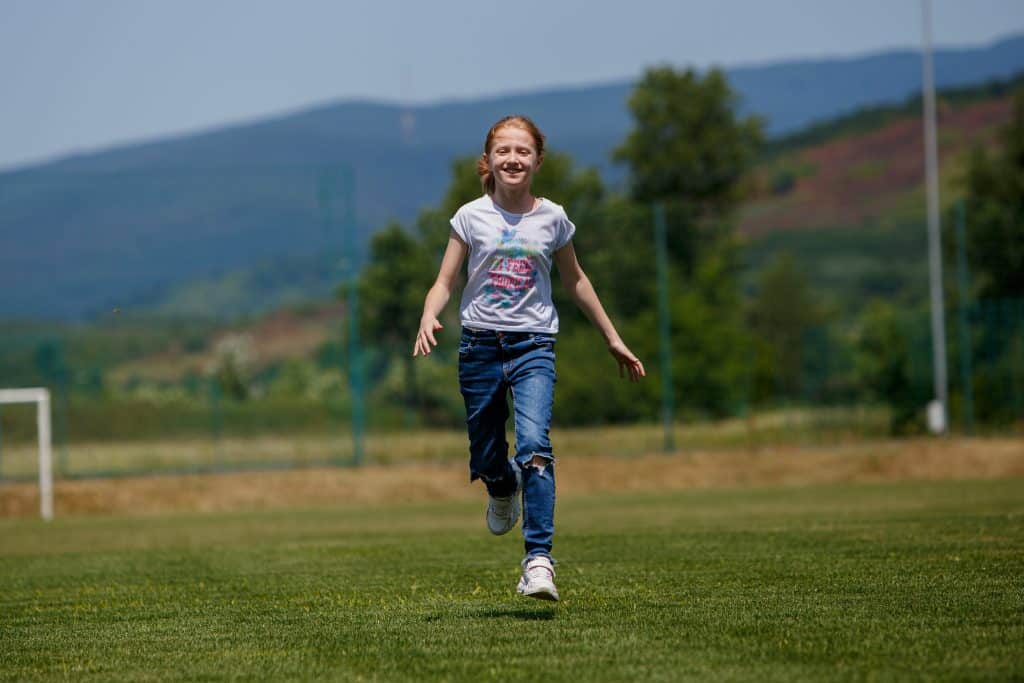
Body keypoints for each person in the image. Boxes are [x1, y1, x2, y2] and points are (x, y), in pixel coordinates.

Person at [413, 115, 645, 601]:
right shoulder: (469, 216)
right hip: (479, 346)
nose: (513, 159)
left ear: (538, 160)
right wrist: (428, 316)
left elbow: (576, 280)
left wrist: (612, 337)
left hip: (533, 345)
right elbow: (445, 281)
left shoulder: (553, 218)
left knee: (536, 444)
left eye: (523, 151)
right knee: (486, 455)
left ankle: (538, 561)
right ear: (488, 161)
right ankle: (502, 487)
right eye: (503, 151)